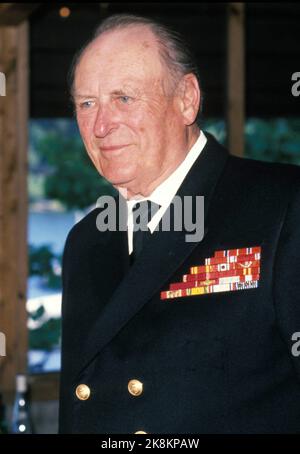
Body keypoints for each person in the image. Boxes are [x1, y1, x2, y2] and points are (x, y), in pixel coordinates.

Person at [59, 13, 300, 434]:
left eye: (124, 98)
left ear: (187, 99)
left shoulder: (282, 206)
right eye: (87, 103)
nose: (100, 126)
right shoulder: (85, 240)